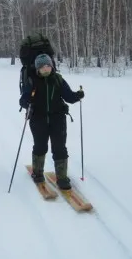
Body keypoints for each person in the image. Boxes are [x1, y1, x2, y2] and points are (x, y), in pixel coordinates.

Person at [19, 53, 84, 190]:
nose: (46, 69)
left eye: (48, 66)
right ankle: (37, 173)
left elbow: (69, 97)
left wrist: (77, 95)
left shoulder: (58, 80)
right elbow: (23, 100)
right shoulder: (32, 81)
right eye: (42, 67)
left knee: (60, 147)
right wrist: (27, 102)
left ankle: (62, 178)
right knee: (40, 146)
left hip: (58, 119)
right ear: (37, 69)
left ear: (52, 66)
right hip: (38, 119)